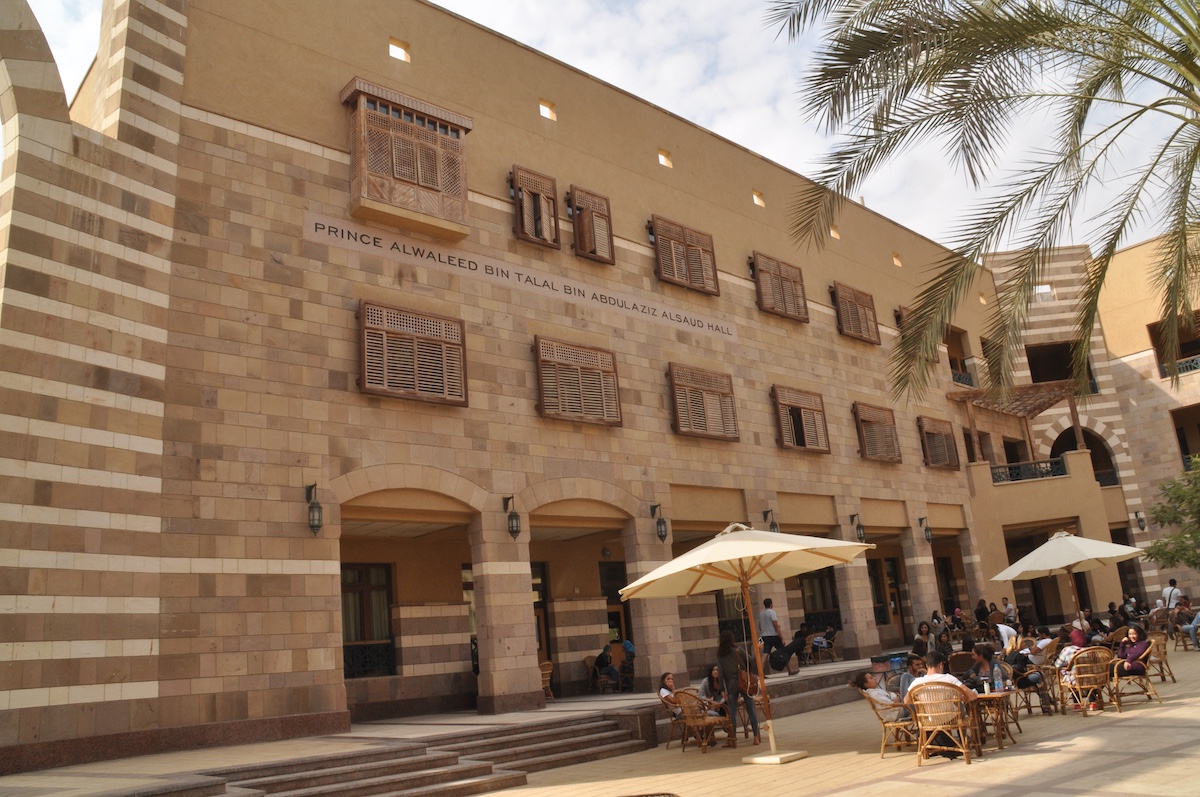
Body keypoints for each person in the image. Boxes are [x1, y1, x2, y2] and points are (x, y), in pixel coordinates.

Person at [905, 649, 976, 759]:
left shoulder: (917, 683)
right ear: (941, 664)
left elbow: (906, 701)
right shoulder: (948, 679)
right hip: (951, 717)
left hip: (929, 719)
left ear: (927, 665)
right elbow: (971, 696)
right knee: (961, 704)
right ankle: (969, 742)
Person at [717, 629, 759, 747]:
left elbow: (720, 674)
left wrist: (722, 689)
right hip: (744, 683)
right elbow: (751, 660)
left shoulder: (720, 655)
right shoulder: (738, 650)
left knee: (732, 712)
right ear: (732, 640)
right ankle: (755, 737)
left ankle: (733, 738)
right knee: (751, 710)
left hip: (730, 685)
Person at [758, 598, 784, 673]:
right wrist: (782, 638)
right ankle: (790, 670)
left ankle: (760, 673)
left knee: (765, 654)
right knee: (784, 651)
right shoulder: (772, 612)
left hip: (764, 636)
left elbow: (759, 627)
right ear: (771, 604)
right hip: (773, 635)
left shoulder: (761, 614)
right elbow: (775, 625)